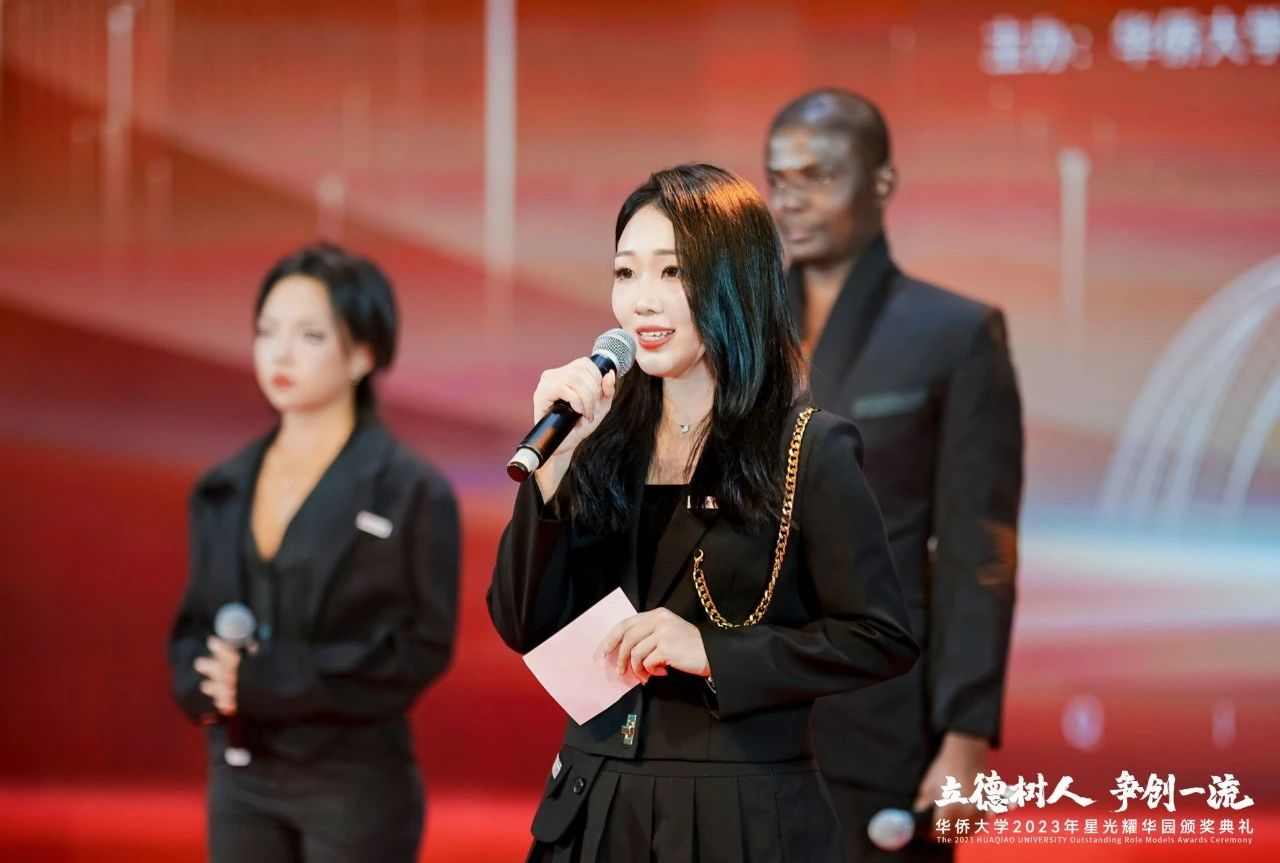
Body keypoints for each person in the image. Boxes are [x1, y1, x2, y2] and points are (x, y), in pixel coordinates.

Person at [488, 163, 919, 862]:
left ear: (734, 283)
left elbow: (880, 636)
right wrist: (555, 467)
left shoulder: (806, 448)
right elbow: (521, 622)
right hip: (593, 809)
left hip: (738, 814)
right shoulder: (596, 441)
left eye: (673, 272)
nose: (643, 301)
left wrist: (714, 652)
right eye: (626, 273)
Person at [764, 88, 1024, 860]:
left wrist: (966, 735)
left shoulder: (954, 333)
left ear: (882, 181)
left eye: (818, 175)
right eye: (778, 179)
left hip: (882, 718)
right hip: (741, 711)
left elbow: (979, 550)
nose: (791, 200)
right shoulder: (738, 336)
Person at [167, 242, 460, 863]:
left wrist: (271, 679)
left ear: (362, 354)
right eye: (266, 331)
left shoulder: (410, 490)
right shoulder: (222, 486)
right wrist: (205, 681)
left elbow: (420, 646)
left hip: (353, 785)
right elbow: (194, 624)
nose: (280, 353)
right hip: (240, 777)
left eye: (309, 335)